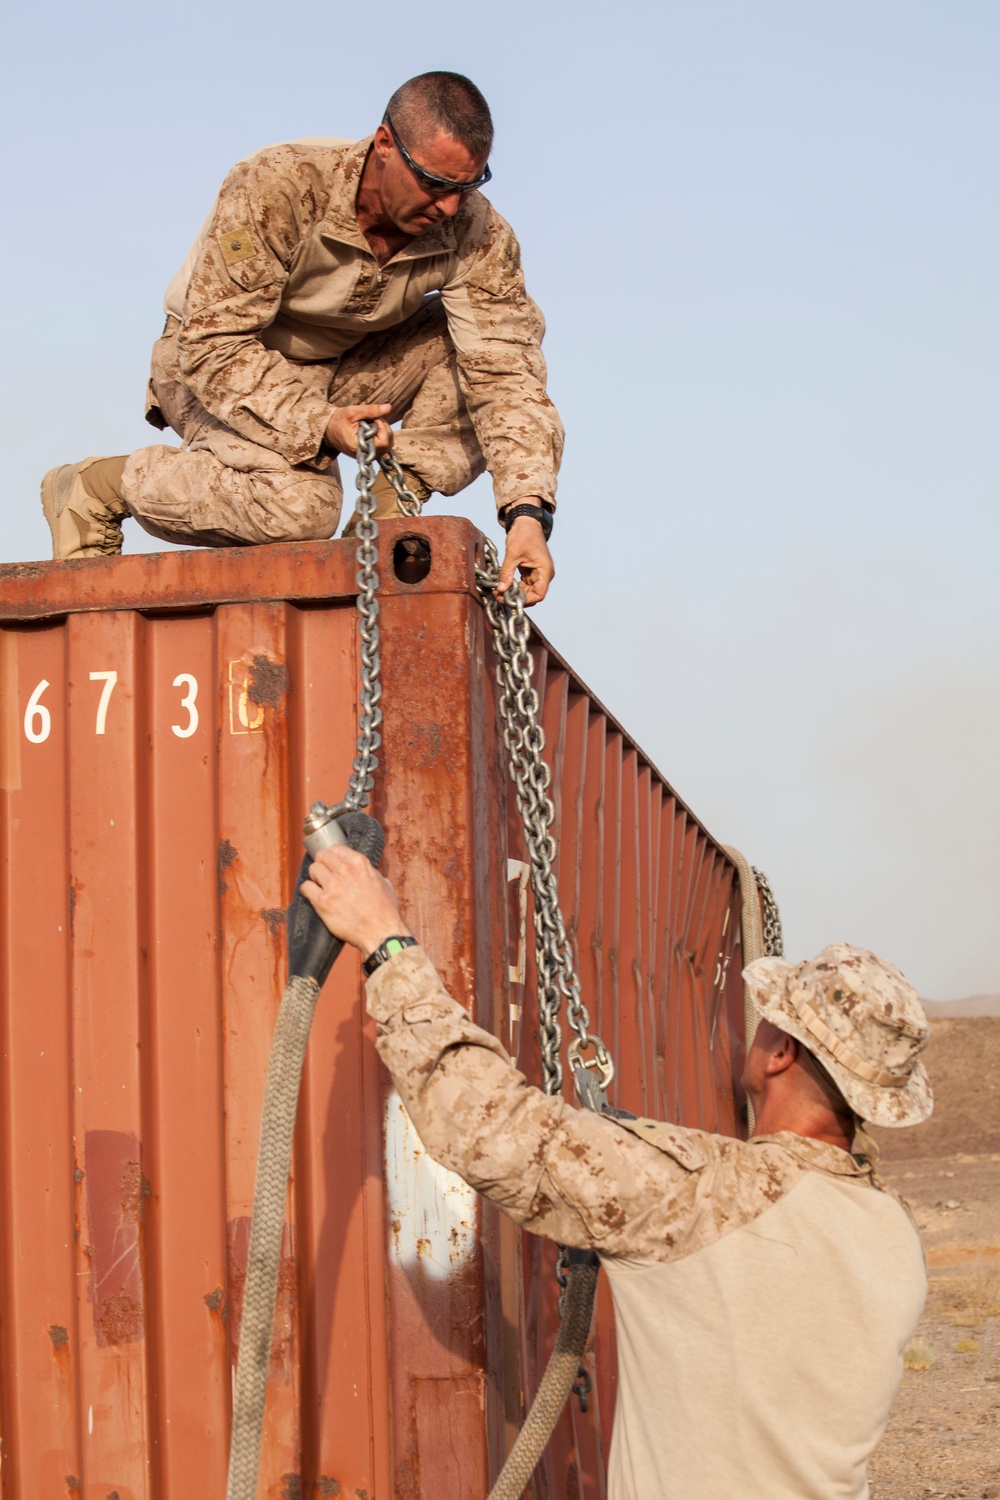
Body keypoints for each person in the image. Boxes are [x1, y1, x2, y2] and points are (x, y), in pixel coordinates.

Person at [300, 842, 933, 1500]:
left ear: (782, 1052)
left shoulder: (701, 1192)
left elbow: (488, 1125)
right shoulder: (897, 1236)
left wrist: (384, 941)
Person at [40, 72, 561, 604]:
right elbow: (213, 345)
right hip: (215, 364)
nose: (449, 207)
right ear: (385, 144)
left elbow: (508, 375)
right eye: (434, 183)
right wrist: (320, 424)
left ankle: (386, 509)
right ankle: (99, 487)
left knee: (473, 351)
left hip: (345, 364)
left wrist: (527, 514)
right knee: (300, 512)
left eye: (466, 186)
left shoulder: (476, 230)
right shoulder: (279, 185)